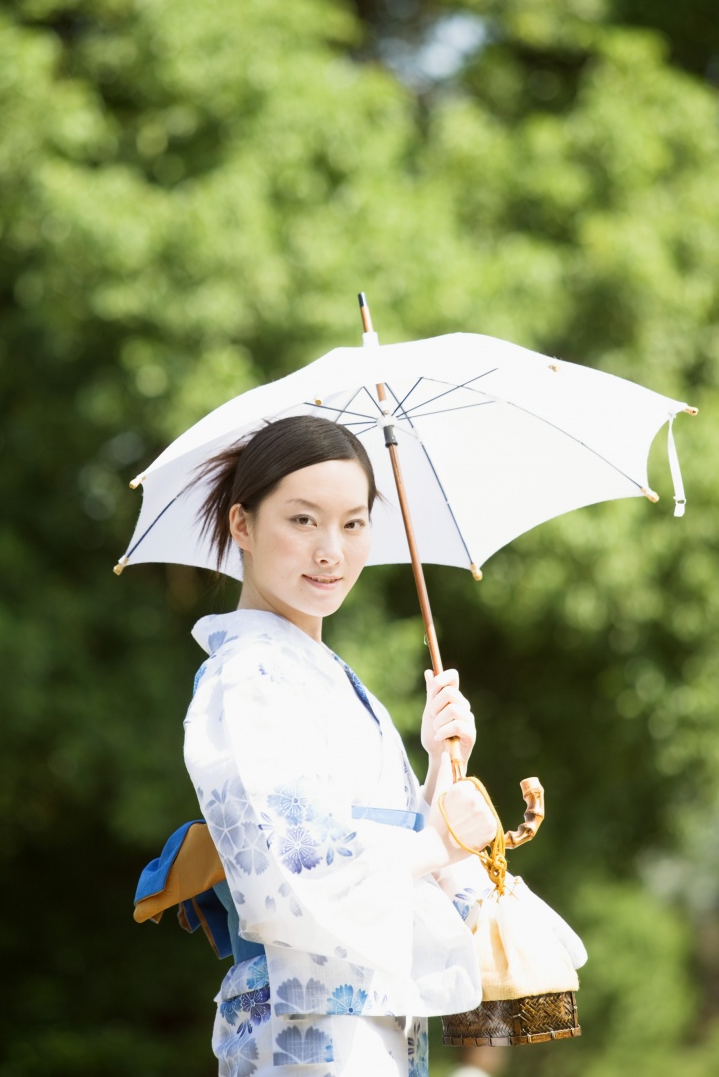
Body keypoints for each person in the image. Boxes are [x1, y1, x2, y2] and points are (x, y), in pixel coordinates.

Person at [183, 416, 499, 1077]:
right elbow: (298, 869)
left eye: (353, 523)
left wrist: (440, 768)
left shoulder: (317, 671)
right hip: (305, 1033)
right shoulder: (248, 674)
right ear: (242, 525)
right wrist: (440, 840)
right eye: (302, 521)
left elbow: (396, 856)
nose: (331, 550)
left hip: (368, 1030)